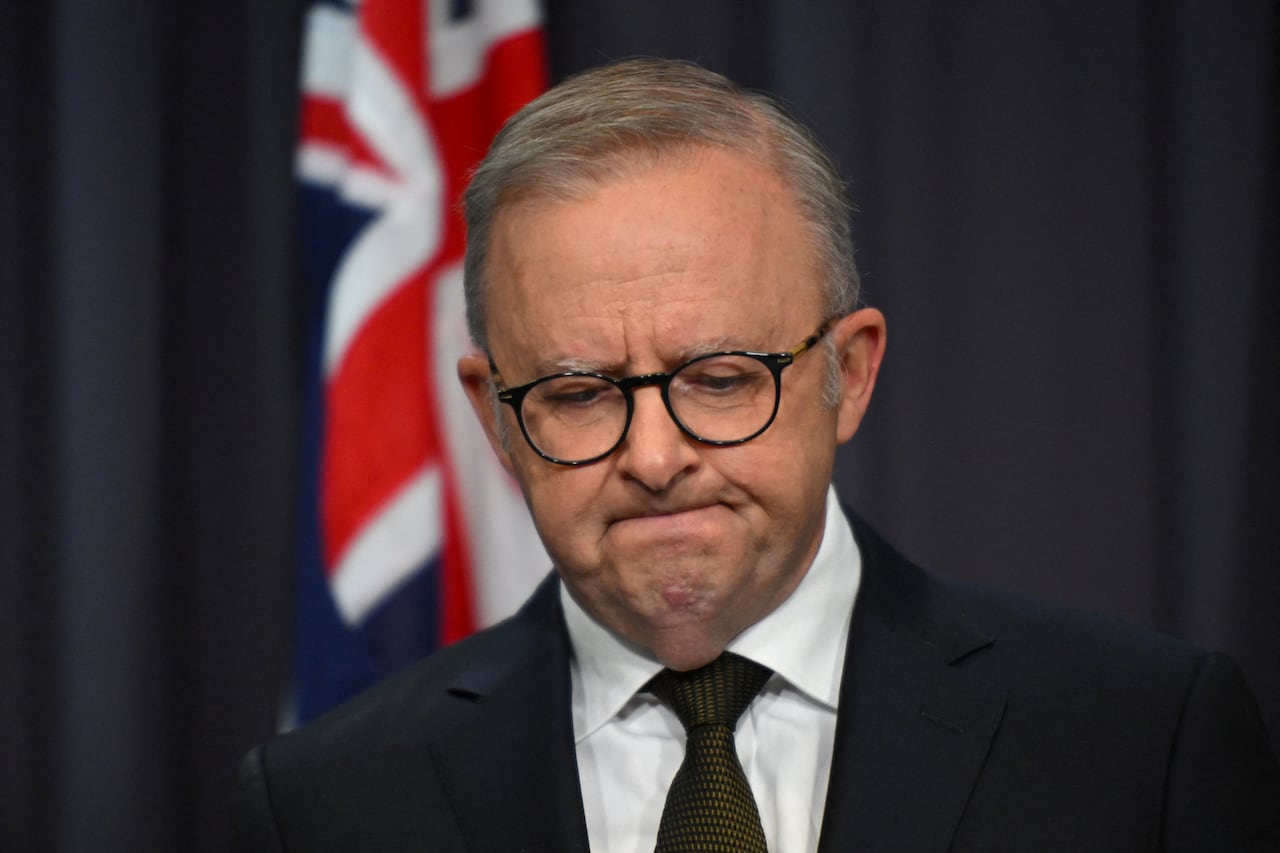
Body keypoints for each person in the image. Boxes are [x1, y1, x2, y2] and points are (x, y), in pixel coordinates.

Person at [231, 58, 1280, 852]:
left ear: (849, 372)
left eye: (720, 378)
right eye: (578, 393)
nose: (652, 456)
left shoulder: (1140, 745)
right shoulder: (325, 804)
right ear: (496, 415)